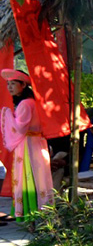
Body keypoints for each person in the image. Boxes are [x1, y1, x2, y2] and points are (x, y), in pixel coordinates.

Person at [1, 69, 54, 221]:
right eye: (8, 84)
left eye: (13, 84)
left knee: (28, 177)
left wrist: (6, 114)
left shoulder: (25, 104)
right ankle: (42, 212)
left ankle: (30, 214)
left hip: (28, 145)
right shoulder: (32, 101)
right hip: (37, 142)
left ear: (23, 84)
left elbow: (20, 128)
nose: (9, 87)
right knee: (39, 178)